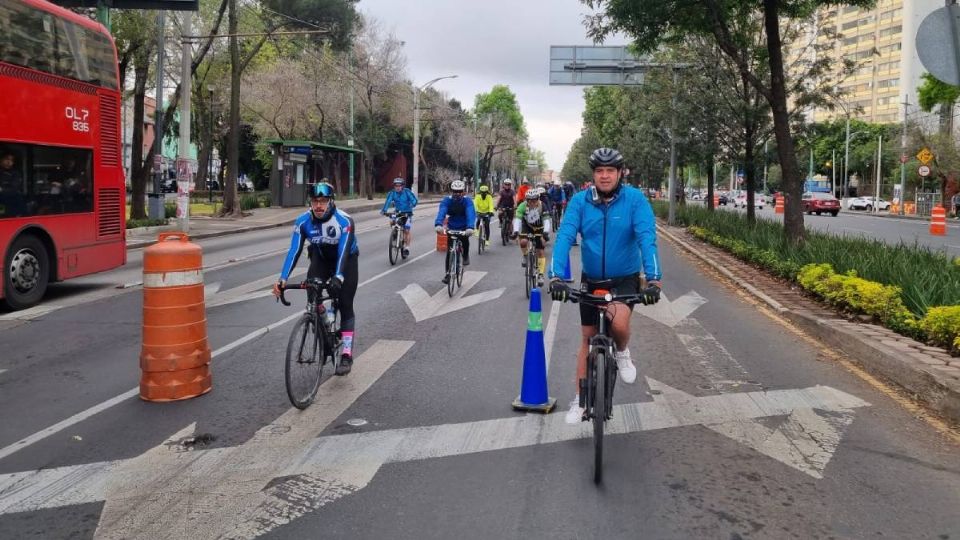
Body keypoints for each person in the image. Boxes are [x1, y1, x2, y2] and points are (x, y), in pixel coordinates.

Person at [548, 148, 662, 425]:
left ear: (621, 173)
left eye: (610, 170)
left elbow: (647, 237)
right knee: (587, 340)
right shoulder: (580, 201)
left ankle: (622, 352)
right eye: (599, 171)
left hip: (624, 278)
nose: (605, 175)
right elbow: (564, 235)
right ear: (593, 175)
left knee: (619, 323)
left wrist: (654, 278)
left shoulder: (635, 200)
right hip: (592, 279)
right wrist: (555, 276)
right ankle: (579, 399)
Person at [272, 182, 360, 375]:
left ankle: (346, 353)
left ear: (331, 201)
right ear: (309, 202)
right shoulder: (303, 221)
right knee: (313, 291)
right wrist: (283, 278)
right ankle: (321, 320)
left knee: (345, 302)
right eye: (314, 201)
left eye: (323, 201)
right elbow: (294, 251)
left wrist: (338, 277)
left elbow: (344, 251)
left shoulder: (344, 221)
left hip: (345, 259)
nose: (319, 206)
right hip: (320, 257)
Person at [435, 180, 476, 284]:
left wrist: (470, 227)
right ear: (451, 191)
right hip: (452, 226)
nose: (457, 194)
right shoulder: (447, 200)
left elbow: (470, 213)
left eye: (459, 191)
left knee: (465, 241)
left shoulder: (467, 201)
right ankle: (448, 274)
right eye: (455, 191)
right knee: (450, 251)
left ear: (463, 192)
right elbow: (442, 212)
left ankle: (465, 255)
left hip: (464, 227)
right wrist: (438, 224)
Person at [512, 188, 552, 286]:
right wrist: (516, 231)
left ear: (538, 199)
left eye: (534, 200)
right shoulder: (522, 206)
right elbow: (517, 219)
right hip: (527, 227)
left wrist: (545, 233)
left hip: (540, 228)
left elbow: (547, 221)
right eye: (529, 200)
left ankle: (541, 274)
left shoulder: (543, 206)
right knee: (523, 242)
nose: (531, 202)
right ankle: (525, 255)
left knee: (541, 250)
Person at [381, 177, 418, 257]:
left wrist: (412, 204)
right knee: (392, 221)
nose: (397, 187)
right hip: (398, 212)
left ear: (402, 186)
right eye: (396, 186)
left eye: (399, 185)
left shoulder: (407, 192)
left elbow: (414, 200)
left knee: (406, 231)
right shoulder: (392, 193)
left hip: (407, 213)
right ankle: (395, 234)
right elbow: (388, 201)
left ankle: (407, 248)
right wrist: (384, 210)